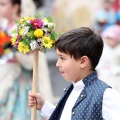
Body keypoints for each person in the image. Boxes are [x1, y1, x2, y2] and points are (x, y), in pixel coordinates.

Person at [28, 27, 120, 120]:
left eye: (62, 58)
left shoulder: (106, 95)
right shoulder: (72, 89)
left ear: (83, 61)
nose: (57, 64)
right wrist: (44, 106)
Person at [0, 0, 52, 119]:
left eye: (3, 4)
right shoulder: (3, 24)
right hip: (4, 73)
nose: (0, 7)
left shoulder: (22, 29)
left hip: (19, 79)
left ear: (15, 7)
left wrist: (15, 55)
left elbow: (31, 59)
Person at [97, 25, 120, 93]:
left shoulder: (118, 51)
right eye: (108, 39)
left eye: (111, 39)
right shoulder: (105, 49)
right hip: (104, 75)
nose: (109, 41)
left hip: (116, 76)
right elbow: (101, 61)